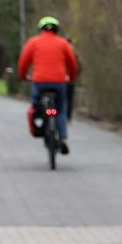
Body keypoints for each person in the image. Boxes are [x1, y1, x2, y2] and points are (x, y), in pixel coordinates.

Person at [17, 16, 81, 153]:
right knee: (60, 110)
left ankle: (41, 123)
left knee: (36, 105)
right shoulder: (64, 44)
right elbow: (72, 64)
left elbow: (23, 62)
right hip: (59, 82)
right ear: (57, 30)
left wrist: (23, 76)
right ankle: (63, 138)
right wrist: (72, 78)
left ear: (41, 29)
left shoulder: (33, 43)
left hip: (39, 82)